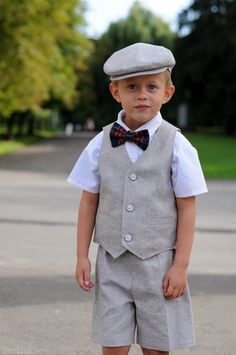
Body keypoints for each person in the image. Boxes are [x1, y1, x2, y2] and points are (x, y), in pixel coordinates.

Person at [67, 42, 208, 355]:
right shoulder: (100, 142)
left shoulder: (177, 145)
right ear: (116, 92)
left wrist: (181, 265)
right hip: (112, 262)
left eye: (151, 86)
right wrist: (81, 256)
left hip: (159, 264)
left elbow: (187, 207)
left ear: (167, 93)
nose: (142, 94)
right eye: (132, 86)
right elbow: (88, 201)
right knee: (113, 345)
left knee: (157, 346)